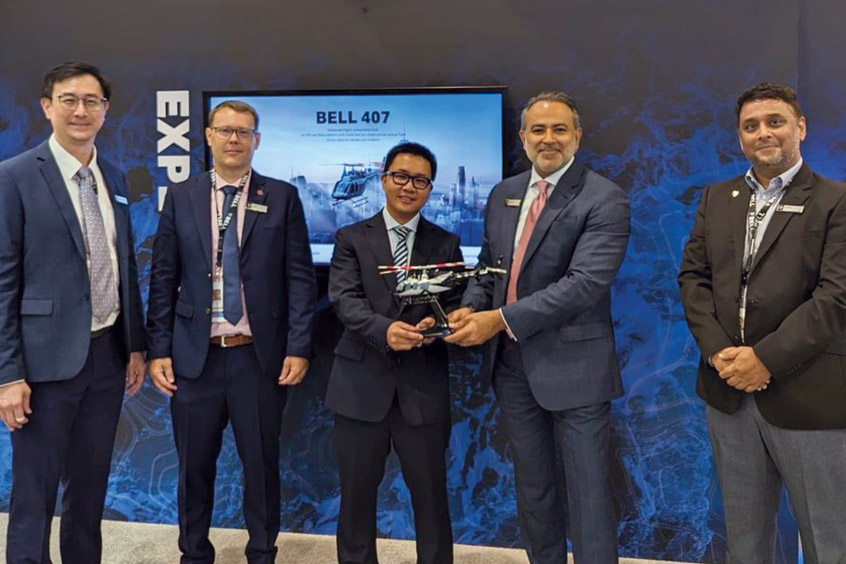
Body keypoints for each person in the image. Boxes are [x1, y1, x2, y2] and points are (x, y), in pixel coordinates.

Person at [446, 91, 630, 564]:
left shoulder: (604, 197)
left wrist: (498, 319)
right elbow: (489, 267)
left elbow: (584, 284)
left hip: (576, 368)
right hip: (511, 367)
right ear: (523, 137)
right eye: (539, 130)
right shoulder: (502, 193)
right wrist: (470, 307)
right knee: (533, 489)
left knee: (589, 495)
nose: (549, 139)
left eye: (559, 129)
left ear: (577, 137)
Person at [678, 82, 846, 563]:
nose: (763, 133)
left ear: (801, 128)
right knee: (745, 541)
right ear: (740, 137)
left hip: (809, 396)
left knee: (829, 541)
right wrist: (719, 353)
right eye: (750, 126)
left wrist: (764, 359)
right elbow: (693, 278)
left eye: (775, 121)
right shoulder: (717, 198)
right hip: (728, 392)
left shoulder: (836, 200)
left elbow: (835, 296)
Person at [146, 100, 316, 563]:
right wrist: (158, 349)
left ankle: (262, 552)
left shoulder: (281, 196)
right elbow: (163, 276)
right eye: (225, 130)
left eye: (244, 132)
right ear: (208, 136)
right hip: (194, 358)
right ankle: (194, 554)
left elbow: (300, 279)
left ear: (256, 140)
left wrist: (299, 347)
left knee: (261, 468)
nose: (234, 139)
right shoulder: (182, 196)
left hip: (257, 359)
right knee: (192, 469)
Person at [0, 61, 146, 563]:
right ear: (47, 107)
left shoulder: (113, 177)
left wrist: (135, 346)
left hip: (106, 358)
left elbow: (125, 266)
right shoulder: (14, 177)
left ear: (105, 111)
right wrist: (8, 375)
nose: (80, 111)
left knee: (89, 489)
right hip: (42, 365)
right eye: (69, 100)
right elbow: (3, 282)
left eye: (91, 101)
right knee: (34, 494)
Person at [325, 142, 462, 564]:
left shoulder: (446, 242)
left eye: (420, 180)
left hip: (422, 389)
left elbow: (456, 301)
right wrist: (385, 330)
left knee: (431, 501)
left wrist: (440, 325)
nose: (409, 187)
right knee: (356, 500)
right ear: (384, 180)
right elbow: (344, 300)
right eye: (400, 177)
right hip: (360, 387)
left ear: (430, 188)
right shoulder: (351, 238)